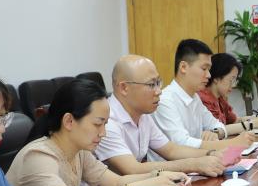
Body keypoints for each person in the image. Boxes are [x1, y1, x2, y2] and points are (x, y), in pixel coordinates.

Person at [6, 78, 188, 186]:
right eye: (97, 124)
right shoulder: (38, 156)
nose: (103, 133)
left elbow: (116, 182)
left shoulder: (79, 151)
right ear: (69, 121)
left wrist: (158, 177)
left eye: (105, 124)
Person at [95, 54, 225, 177]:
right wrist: (193, 165)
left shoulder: (143, 115)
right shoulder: (107, 122)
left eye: (158, 83)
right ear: (124, 88)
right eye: (151, 84)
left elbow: (171, 150)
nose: (158, 91)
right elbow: (133, 169)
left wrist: (210, 154)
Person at [154, 39, 256, 150]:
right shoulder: (165, 100)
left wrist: (216, 132)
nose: (209, 75)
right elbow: (182, 143)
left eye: (209, 69)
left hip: (200, 159)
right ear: (183, 67)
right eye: (204, 68)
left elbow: (217, 125)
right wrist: (233, 143)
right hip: (180, 161)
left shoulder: (195, 97)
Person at [199, 52, 258, 128]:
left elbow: (235, 120)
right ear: (216, 78)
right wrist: (253, 123)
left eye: (235, 80)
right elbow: (218, 129)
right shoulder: (204, 100)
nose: (234, 85)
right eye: (231, 80)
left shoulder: (220, 99)